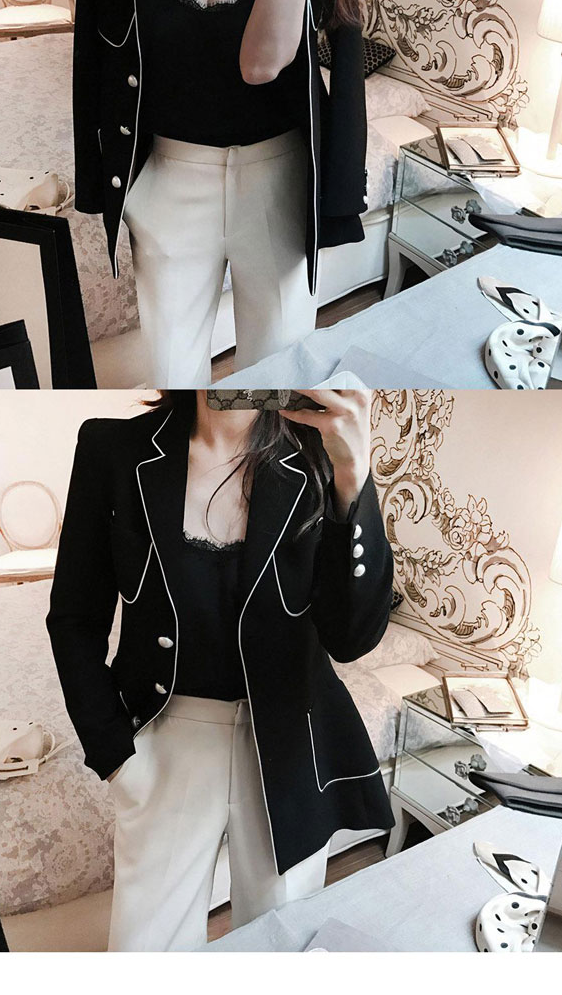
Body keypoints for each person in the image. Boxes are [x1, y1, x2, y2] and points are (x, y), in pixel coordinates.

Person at [46, 389, 395, 951]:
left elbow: (352, 639)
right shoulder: (113, 448)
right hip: (164, 740)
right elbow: (74, 618)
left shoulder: (318, 452)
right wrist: (114, 755)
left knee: (277, 951)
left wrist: (354, 471)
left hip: (287, 742)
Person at [72, 0, 369, 384]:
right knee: (172, 377)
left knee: (277, 379)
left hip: (281, 182)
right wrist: (95, 182)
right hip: (169, 180)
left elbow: (268, 64)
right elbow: (90, 60)